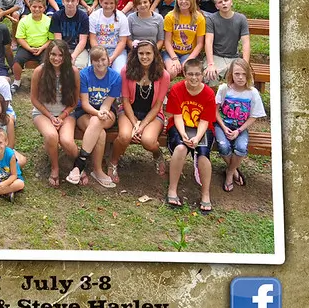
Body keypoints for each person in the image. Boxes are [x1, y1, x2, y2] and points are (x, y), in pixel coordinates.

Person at [109, 40, 169, 184]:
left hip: (152, 114)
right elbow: (125, 100)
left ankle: (157, 154)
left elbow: (158, 105)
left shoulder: (163, 75)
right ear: (136, 54)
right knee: (124, 136)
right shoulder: (126, 71)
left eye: (148, 53)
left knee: (148, 141)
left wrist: (141, 126)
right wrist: (135, 123)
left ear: (155, 54)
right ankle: (113, 162)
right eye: (141, 53)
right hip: (129, 110)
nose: (144, 57)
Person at [165, 58, 216, 213]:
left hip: (201, 127)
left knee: (203, 155)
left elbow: (205, 121)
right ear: (185, 74)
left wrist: (197, 137)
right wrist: (183, 135)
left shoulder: (208, 93)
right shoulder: (177, 89)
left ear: (202, 75)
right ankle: (172, 189)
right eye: (190, 74)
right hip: (181, 125)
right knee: (181, 148)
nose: (194, 78)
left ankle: (205, 193)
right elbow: (177, 116)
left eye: (197, 74)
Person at [66, 46, 120, 188]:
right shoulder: (84, 75)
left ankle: (79, 164)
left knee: (97, 121)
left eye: (103, 59)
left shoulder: (115, 77)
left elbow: (107, 103)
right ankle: (97, 171)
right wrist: (96, 113)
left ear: (108, 60)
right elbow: (84, 103)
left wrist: (101, 112)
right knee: (100, 133)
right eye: (96, 60)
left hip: (107, 112)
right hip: (85, 112)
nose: (100, 63)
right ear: (91, 61)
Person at [30, 40, 80, 187]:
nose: (56, 58)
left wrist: (62, 116)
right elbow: (34, 99)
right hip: (43, 113)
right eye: (53, 54)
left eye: (60, 55)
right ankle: (55, 167)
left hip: (66, 113)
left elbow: (75, 101)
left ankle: (79, 164)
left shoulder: (73, 72)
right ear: (48, 54)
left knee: (67, 142)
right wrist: (51, 117)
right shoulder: (39, 71)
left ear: (66, 56)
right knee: (52, 136)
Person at [215, 59, 267, 192]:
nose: (240, 77)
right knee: (223, 146)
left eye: (244, 74)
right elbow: (215, 111)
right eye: (237, 74)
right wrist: (223, 127)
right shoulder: (224, 89)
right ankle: (235, 171)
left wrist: (238, 131)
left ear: (248, 75)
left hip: (240, 128)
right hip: (222, 125)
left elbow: (253, 116)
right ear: (231, 74)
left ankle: (230, 172)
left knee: (241, 147)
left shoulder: (252, 92)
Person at [204, 0, 251, 83]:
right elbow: (208, 42)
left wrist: (245, 64)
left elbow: (246, 43)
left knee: (242, 76)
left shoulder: (241, 19)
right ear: (216, 6)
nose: (224, 3)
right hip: (216, 55)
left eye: (226, 1)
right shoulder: (211, 19)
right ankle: (214, 93)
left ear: (231, 2)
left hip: (233, 56)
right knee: (210, 75)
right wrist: (211, 63)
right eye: (220, 2)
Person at [11, 0, 53, 93]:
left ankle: (43, 83)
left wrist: (42, 48)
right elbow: (20, 38)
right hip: (27, 47)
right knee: (17, 60)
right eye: (34, 6)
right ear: (30, 7)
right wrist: (29, 48)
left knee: (46, 62)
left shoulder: (49, 21)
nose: (37, 9)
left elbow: (51, 39)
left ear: (44, 8)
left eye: (40, 7)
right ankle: (17, 81)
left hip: (43, 47)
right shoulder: (24, 21)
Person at [163, 0, 206, 78]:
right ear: (177, 0)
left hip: (189, 53)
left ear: (192, 0)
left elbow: (200, 44)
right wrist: (174, 58)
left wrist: (189, 59)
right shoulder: (170, 16)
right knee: (172, 72)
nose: (183, 1)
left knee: (189, 72)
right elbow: (167, 41)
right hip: (172, 52)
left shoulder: (199, 18)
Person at [89, 0, 130, 72]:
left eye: (111, 3)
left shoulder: (122, 17)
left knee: (119, 71)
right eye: (106, 3)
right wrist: (100, 55)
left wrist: (112, 58)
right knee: (93, 70)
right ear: (101, 2)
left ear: (115, 4)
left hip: (116, 51)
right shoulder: (94, 16)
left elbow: (122, 41)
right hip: (98, 49)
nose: (108, 6)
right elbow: (92, 38)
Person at [51, 0, 90, 68]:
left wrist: (73, 56)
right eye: (67, 1)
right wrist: (64, 54)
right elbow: (58, 40)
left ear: (77, 2)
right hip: (62, 47)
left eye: (73, 1)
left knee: (80, 65)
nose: (70, 3)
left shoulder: (83, 17)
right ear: (63, 2)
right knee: (58, 62)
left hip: (79, 49)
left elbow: (82, 41)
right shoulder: (57, 16)